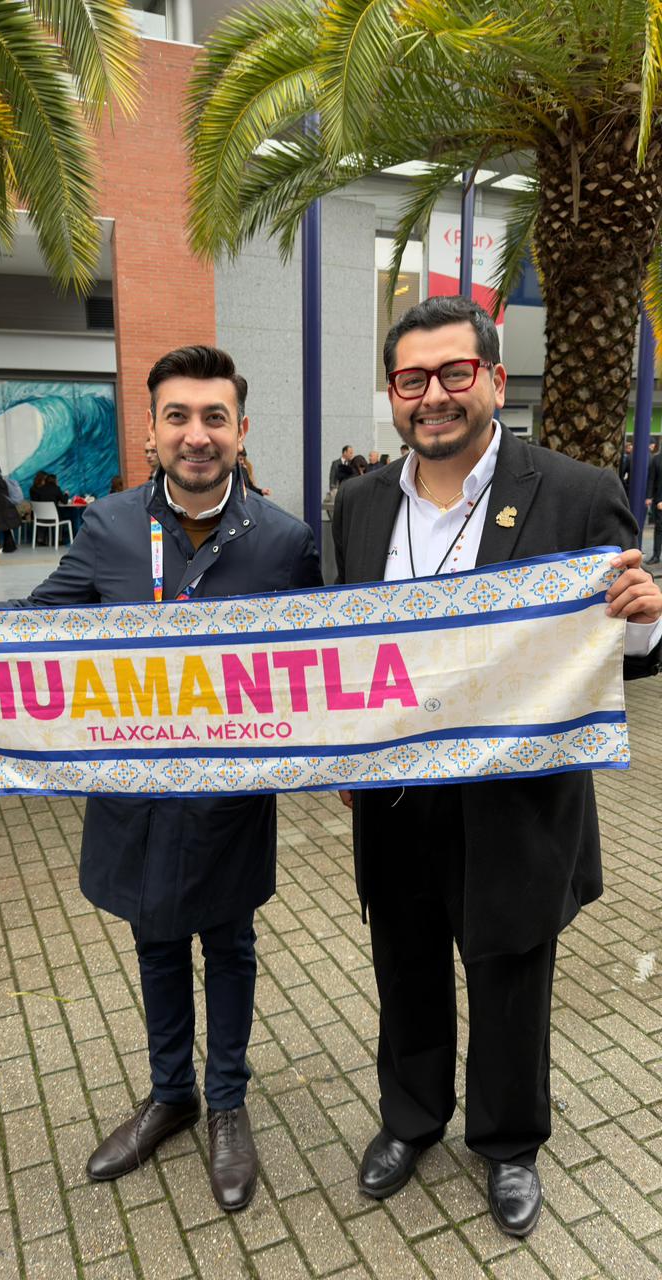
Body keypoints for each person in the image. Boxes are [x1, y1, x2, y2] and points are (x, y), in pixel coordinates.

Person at [332, 296, 662, 1240]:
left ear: (492, 377)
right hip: (396, 799)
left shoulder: (573, 490)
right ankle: (411, 1119)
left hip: (517, 803)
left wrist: (646, 617)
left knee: (511, 976)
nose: (433, 396)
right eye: (411, 379)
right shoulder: (358, 505)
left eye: (453, 373)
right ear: (392, 393)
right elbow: (343, 646)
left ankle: (510, 1144)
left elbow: (627, 651)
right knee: (405, 970)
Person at [0, 345, 322, 1210]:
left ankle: (227, 1104)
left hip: (229, 805)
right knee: (154, 943)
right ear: (150, 430)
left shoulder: (286, 541)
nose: (196, 435)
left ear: (241, 431)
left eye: (215, 417)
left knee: (230, 945)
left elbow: (338, 660)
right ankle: (170, 1095)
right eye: (178, 416)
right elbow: (30, 631)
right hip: (135, 799)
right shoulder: (108, 526)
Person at [645, 445, 662, 564]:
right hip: (658, 500)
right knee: (659, 528)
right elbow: (651, 479)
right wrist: (649, 497)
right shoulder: (656, 459)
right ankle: (656, 555)